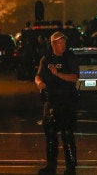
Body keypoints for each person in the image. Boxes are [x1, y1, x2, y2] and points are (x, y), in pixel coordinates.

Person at [34, 32, 79, 175]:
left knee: (67, 134)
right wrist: (39, 83)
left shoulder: (70, 57)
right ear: (53, 44)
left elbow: (74, 77)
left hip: (66, 100)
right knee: (50, 134)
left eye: (64, 42)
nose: (63, 45)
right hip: (51, 100)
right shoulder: (46, 59)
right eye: (60, 43)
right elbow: (38, 76)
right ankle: (51, 166)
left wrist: (58, 74)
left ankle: (71, 168)